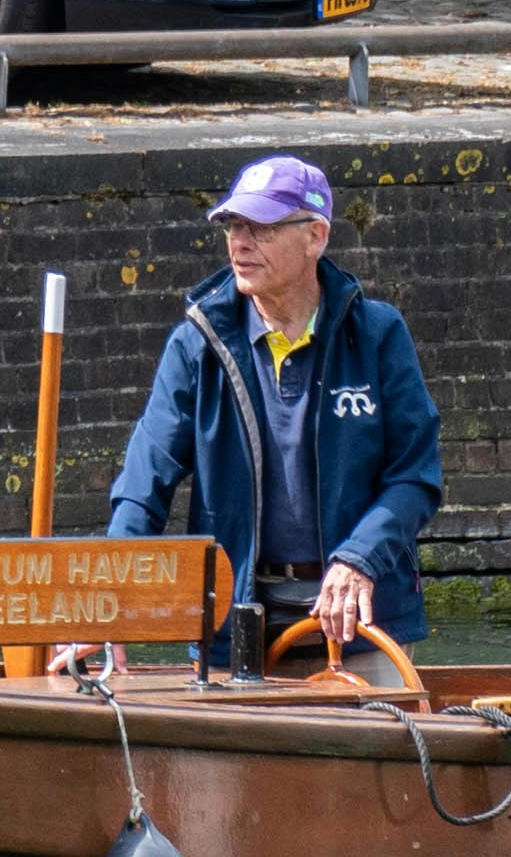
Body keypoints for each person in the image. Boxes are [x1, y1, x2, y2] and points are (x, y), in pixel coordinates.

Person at [78, 156, 445, 679]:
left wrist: (359, 559)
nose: (240, 243)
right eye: (233, 226)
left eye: (262, 228)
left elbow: (415, 476)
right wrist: (113, 598)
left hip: (360, 620)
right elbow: (144, 483)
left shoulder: (379, 335)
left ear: (315, 236)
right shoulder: (196, 345)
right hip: (235, 620)